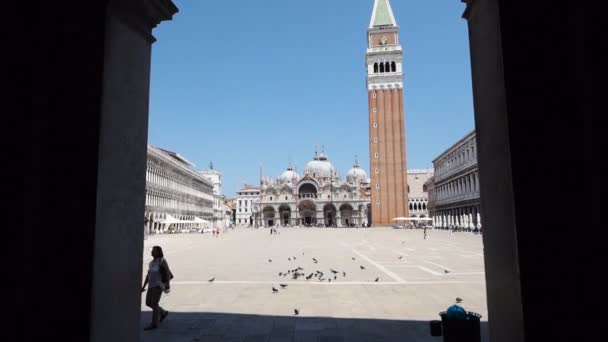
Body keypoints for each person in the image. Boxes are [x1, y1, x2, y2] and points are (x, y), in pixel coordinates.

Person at [141, 246, 173, 330]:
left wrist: (167, 284)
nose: (151, 252)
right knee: (148, 303)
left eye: (153, 251)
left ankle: (154, 324)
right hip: (151, 285)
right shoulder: (151, 263)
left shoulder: (162, 261)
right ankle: (163, 312)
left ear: (158, 252)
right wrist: (144, 286)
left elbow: (167, 273)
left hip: (158, 285)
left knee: (154, 304)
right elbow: (148, 275)